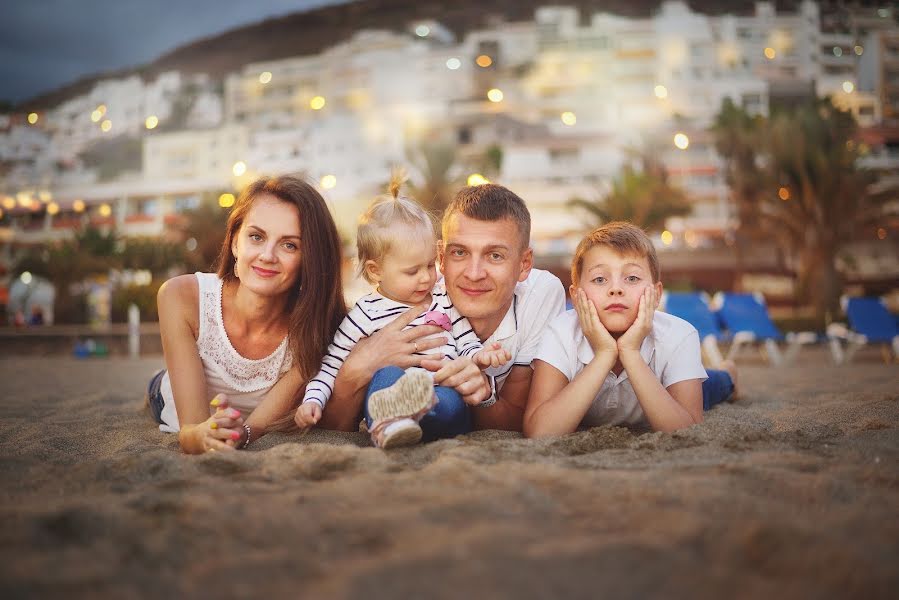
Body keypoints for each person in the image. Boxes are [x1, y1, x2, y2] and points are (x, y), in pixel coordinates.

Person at [318, 183, 568, 437]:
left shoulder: (540, 294)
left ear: (524, 264)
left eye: (495, 256)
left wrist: (483, 394)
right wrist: (360, 368)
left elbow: (517, 420)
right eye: (459, 252)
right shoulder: (408, 294)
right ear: (441, 256)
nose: (474, 273)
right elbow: (334, 428)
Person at [294, 174, 510, 448]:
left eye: (431, 265)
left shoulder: (443, 297)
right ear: (376, 271)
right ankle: (392, 424)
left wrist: (480, 357)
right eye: (412, 271)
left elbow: (466, 343)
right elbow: (330, 367)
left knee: (452, 401)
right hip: (392, 399)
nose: (426, 278)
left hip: (440, 395)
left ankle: (414, 412)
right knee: (386, 377)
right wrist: (312, 401)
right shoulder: (365, 314)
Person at [147, 176, 346, 454]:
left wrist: (243, 434)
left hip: (245, 419)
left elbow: (252, 431)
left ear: (309, 260)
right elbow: (190, 431)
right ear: (235, 243)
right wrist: (202, 435)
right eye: (256, 237)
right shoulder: (180, 296)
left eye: (289, 245)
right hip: (169, 399)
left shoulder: (316, 324)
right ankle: (158, 380)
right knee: (159, 386)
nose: (267, 255)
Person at [523, 222, 737, 438]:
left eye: (632, 278)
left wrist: (631, 352)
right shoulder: (561, 332)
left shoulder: (679, 335)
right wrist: (605, 354)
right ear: (576, 296)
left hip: (669, 394)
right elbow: (540, 430)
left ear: (656, 294)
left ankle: (729, 374)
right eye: (599, 279)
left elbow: (686, 430)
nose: (616, 289)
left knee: (717, 384)